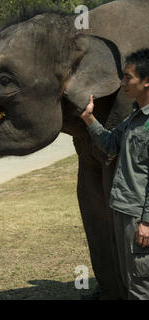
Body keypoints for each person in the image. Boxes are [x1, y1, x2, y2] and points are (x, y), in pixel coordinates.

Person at [80, 48, 149, 299]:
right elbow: (110, 144)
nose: (122, 83)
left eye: (128, 77)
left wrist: (146, 222)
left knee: (142, 285)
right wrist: (89, 119)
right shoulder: (134, 118)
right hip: (122, 210)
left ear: (147, 81)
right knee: (130, 280)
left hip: (139, 218)